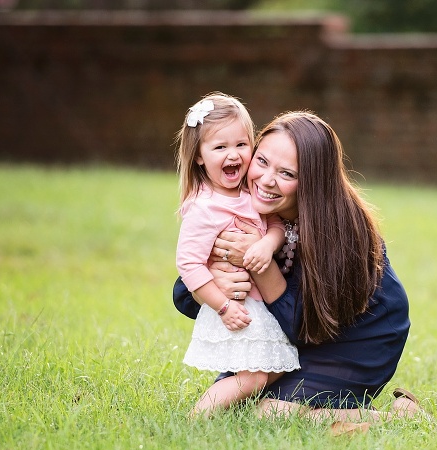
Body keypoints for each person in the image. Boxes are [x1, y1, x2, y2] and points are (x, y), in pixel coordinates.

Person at [173, 111, 423, 422]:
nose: (266, 180)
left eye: (287, 174)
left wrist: (260, 264)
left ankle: (400, 418)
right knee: (234, 402)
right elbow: (185, 291)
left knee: (271, 414)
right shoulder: (242, 204)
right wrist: (217, 285)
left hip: (354, 340)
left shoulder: (341, 232)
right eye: (261, 161)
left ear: (313, 182)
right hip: (283, 331)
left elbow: (305, 328)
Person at [175, 93, 300, 417]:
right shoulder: (204, 208)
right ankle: (198, 417)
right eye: (220, 148)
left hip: (259, 308)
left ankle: (225, 411)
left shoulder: (249, 192)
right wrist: (223, 305)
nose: (233, 155)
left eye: (241, 145)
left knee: (275, 368)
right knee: (255, 376)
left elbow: (275, 225)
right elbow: (188, 264)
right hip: (235, 308)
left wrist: (266, 245)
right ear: (199, 157)